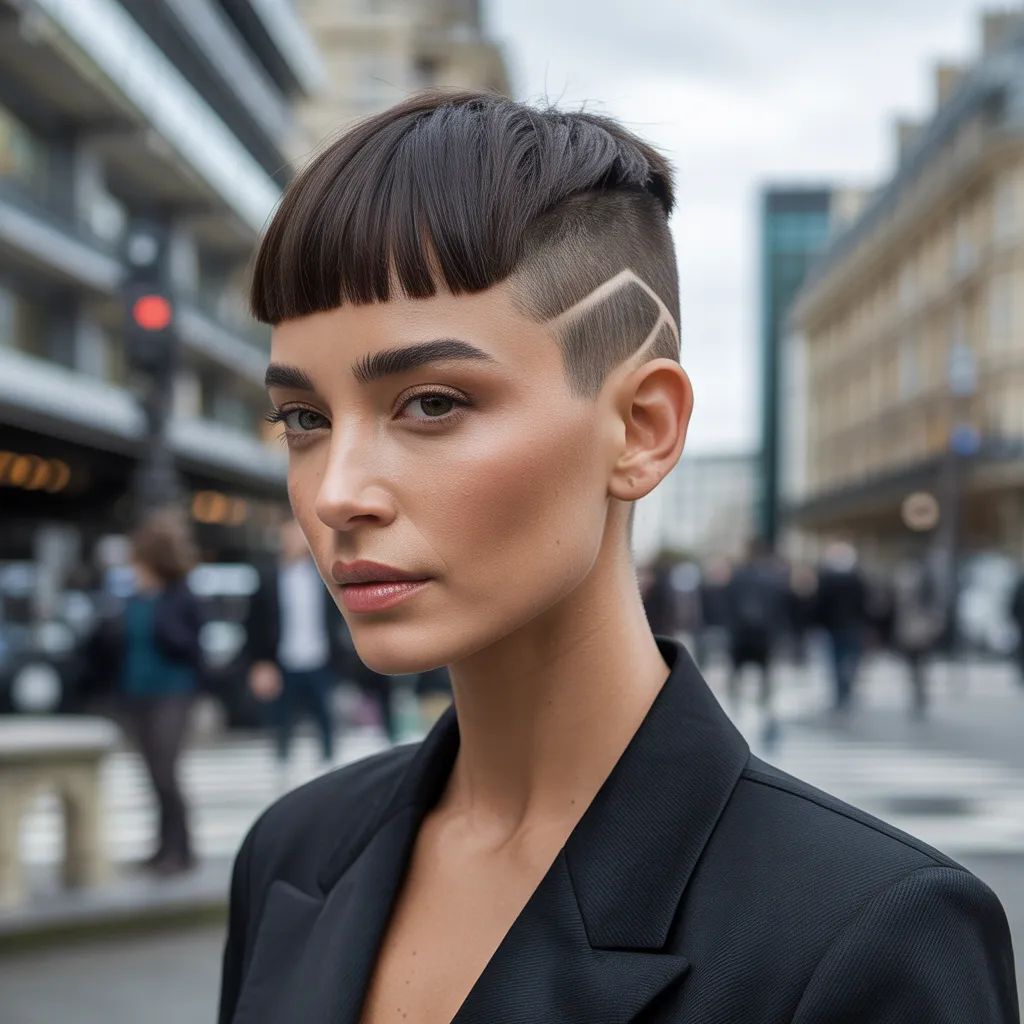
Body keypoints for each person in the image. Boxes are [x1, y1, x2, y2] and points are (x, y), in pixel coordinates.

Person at [218, 92, 1017, 1024]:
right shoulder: (291, 853)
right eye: (303, 420)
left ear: (642, 428)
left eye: (431, 403)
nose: (333, 494)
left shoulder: (864, 936)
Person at [82, 508, 204, 875]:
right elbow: (106, 646)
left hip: (173, 692)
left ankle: (182, 849)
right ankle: (162, 846)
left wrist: (161, 615)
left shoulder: (180, 597)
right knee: (151, 773)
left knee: (167, 771)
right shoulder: (130, 599)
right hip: (135, 693)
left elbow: (191, 645)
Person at [724, 537, 788, 745]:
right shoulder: (774, 577)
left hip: (741, 635)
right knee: (766, 676)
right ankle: (765, 709)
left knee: (737, 674)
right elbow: (782, 609)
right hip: (765, 636)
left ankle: (736, 710)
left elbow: (728, 604)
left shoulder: (738, 575)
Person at [814, 539, 869, 713]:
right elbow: (864, 604)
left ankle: (841, 693)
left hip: (835, 627)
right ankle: (846, 691)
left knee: (837, 662)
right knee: (850, 660)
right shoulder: (856, 579)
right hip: (850, 627)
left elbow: (820, 604)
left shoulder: (827, 579)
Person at [890, 558, 946, 718]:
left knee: (919, 666)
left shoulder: (927, 588)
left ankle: (920, 695)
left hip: (921, 632)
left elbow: (935, 612)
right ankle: (917, 695)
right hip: (908, 632)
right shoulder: (902, 589)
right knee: (913, 667)